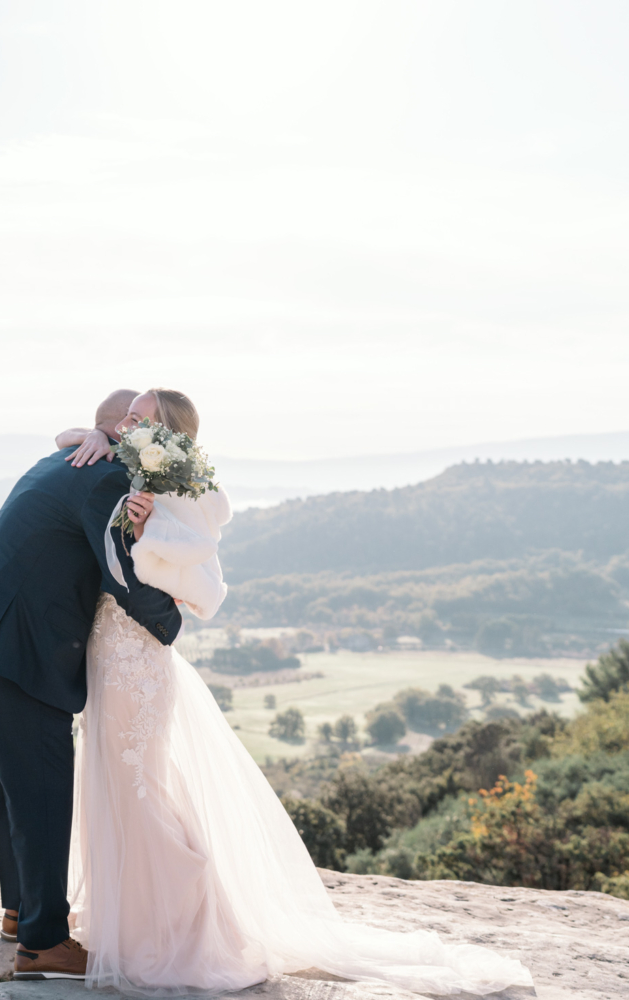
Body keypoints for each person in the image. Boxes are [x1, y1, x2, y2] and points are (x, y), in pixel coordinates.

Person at [58, 389, 533, 995]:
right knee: (123, 783)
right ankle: (132, 917)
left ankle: (184, 915)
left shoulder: (174, 487)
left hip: (134, 655)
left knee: (138, 785)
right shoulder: (134, 465)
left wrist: (143, 529)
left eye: (138, 418)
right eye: (124, 416)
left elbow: (176, 565)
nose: (125, 422)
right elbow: (69, 438)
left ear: (167, 433)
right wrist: (95, 436)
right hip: (113, 651)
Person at [0, 388, 182, 980]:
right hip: (19, 646)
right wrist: (173, 616)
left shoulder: (63, 461)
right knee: (42, 789)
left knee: (13, 786)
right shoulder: (102, 479)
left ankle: (22, 912)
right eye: (128, 423)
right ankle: (45, 943)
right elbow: (118, 568)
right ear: (115, 431)